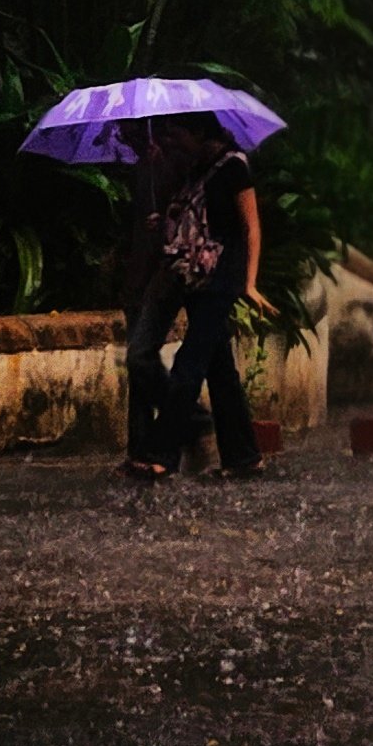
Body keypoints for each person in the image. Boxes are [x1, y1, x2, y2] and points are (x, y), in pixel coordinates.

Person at [122, 113, 273, 485]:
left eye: (177, 133)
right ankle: (243, 456)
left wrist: (249, 283)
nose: (171, 141)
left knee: (188, 365)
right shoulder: (193, 169)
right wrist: (163, 221)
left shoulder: (234, 167)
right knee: (220, 371)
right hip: (190, 276)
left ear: (199, 132)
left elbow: (251, 227)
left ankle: (162, 453)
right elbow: (189, 219)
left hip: (219, 281)